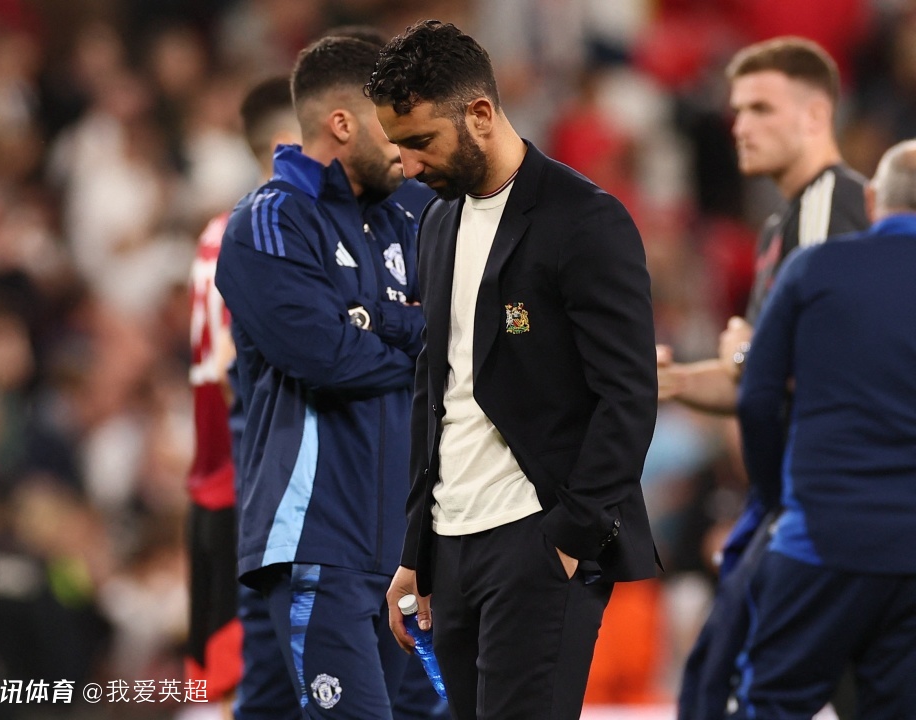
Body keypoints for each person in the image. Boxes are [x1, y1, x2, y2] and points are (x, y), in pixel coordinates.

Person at [366, 20, 659, 720]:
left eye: (420, 141)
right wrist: (416, 550)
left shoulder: (584, 219)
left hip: (536, 538)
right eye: (399, 146)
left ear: (480, 113)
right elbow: (435, 392)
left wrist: (572, 537)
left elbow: (628, 395)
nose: (409, 166)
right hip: (451, 544)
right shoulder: (437, 224)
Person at [656, 37, 870, 720]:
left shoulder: (835, 207)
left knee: (729, 684)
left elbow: (827, 367)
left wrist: (751, 357)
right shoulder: (782, 223)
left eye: (760, 108)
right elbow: (753, 377)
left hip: (833, 501)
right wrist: (671, 381)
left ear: (816, 115)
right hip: (804, 502)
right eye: (737, 110)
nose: (740, 126)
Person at [215, 36, 426, 720]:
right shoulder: (268, 221)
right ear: (342, 123)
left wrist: (374, 321)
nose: (406, 141)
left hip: (400, 546)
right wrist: (416, 342)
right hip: (315, 536)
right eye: (391, 121)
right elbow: (327, 358)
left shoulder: (407, 217)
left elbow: (462, 334)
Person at [731, 138, 916, 719]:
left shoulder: (813, 268)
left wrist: (774, 496)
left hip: (820, 536)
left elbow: (757, 399)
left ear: (871, 199)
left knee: (772, 702)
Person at [185, 74, 300, 719]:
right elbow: (242, 375)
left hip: (217, 492)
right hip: (254, 496)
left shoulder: (217, 230)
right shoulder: (266, 234)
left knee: (244, 695)